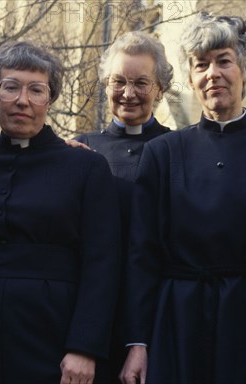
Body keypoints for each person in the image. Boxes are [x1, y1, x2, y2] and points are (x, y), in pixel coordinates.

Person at [120, 13, 246, 384]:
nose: (212, 73)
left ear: (244, 69)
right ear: (190, 78)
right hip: (177, 316)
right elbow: (142, 252)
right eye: (201, 65)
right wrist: (137, 341)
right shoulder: (163, 153)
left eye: (223, 61)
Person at [0, 41, 121, 384]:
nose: (22, 100)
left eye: (36, 90)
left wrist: (84, 346)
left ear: (49, 99)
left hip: (53, 332)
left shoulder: (85, 167)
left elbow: (103, 263)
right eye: (11, 87)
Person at [73, 31, 173, 383]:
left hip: (155, 316)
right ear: (105, 84)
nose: (128, 93)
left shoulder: (177, 149)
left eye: (141, 83)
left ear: (160, 89)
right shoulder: (80, 149)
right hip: (90, 318)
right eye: (118, 82)